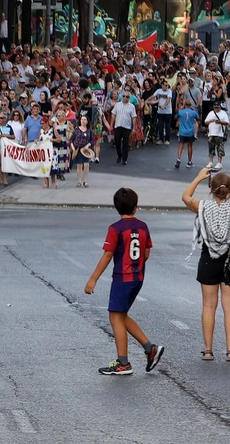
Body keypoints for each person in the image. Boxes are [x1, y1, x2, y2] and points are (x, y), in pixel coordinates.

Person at [83, 187, 163, 376]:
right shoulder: (143, 226)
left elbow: (107, 255)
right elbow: (146, 253)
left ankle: (123, 362)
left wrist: (93, 279)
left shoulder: (115, 229)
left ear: (116, 207)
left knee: (115, 317)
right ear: (135, 207)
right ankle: (149, 348)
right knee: (121, 315)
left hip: (122, 278)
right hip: (138, 277)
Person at [183, 169, 230, 363]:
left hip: (208, 258)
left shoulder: (202, 206)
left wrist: (199, 177)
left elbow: (185, 197)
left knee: (209, 305)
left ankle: (208, 350)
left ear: (211, 188)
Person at [175, 94, 199, 169]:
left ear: (184, 105)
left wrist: (181, 110)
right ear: (190, 105)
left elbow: (175, 117)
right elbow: (197, 118)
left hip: (182, 131)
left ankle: (178, 158)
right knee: (190, 146)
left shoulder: (181, 112)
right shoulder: (193, 112)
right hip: (190, 132)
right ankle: (189, 161)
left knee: (181, 145)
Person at [204, 103, 229, 169]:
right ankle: (211, 162)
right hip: (211, 133)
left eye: (217, 108)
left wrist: (220, 122)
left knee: (220, 148)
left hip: (220, 134)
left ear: (220, 107)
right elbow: (206, 122)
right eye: (215, 108)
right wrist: (211, 121)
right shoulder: (211, 113)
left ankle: (219, 162)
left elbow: (227, 122)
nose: (216, 109)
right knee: (211, 148)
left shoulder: (223, 113)